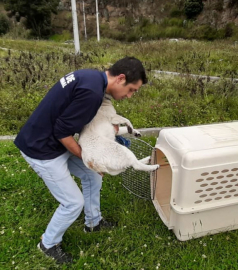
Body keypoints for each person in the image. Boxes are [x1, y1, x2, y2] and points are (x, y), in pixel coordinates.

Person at [14, 57, 147, 264]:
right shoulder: (92, 93)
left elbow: (72, 121)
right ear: (121, 78)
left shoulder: (92, 77)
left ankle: (93, 223)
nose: (129, 96)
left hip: (51, 142)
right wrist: (88, 157)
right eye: (131, 90)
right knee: (72, 202)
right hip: (41, 149)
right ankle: (47, 244)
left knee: (93, 177)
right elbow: (62, 132)